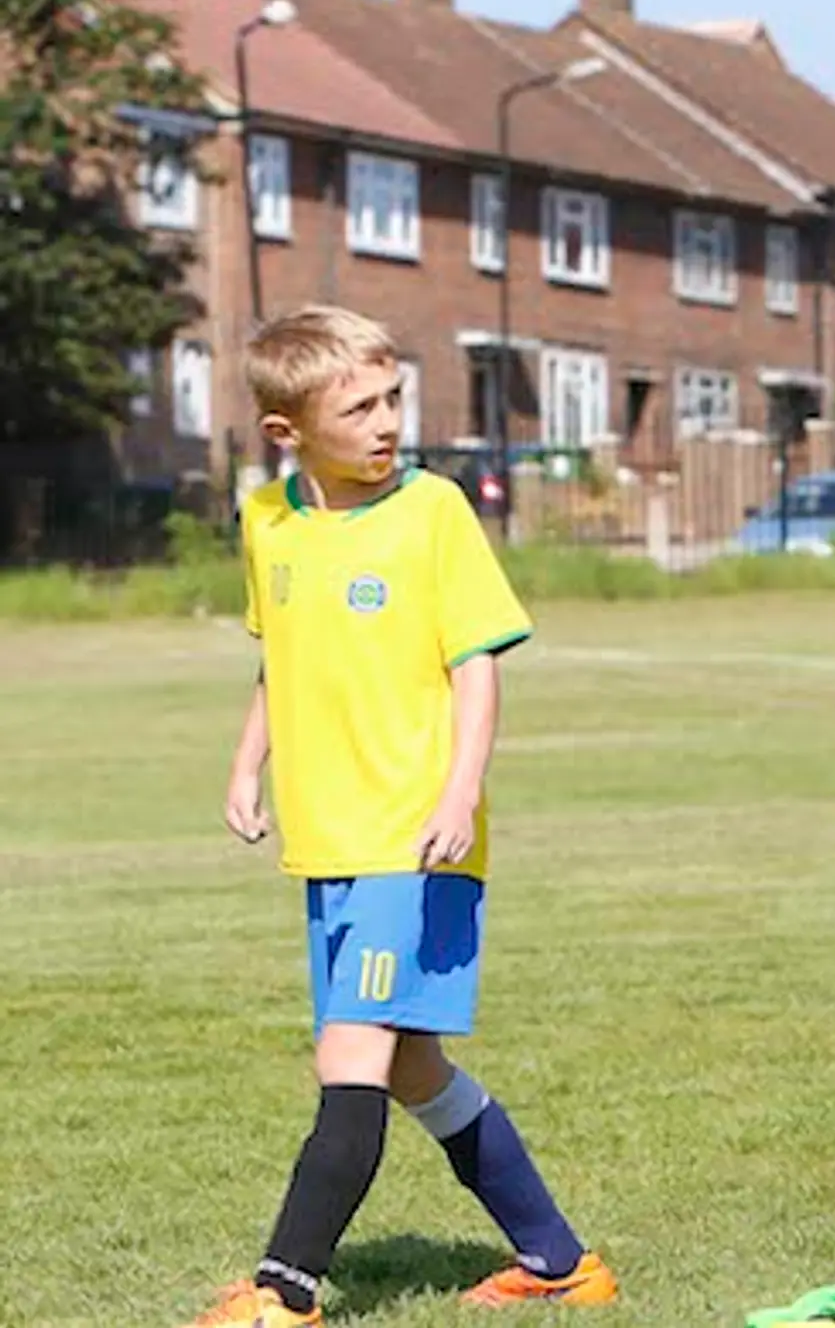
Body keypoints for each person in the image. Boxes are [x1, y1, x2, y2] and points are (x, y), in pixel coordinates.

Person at [182, 305, 618, 1326]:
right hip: (327, 837)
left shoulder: (433, 512)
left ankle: (285, 1290)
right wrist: (249, 763)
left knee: (349, 1058)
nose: (387, 424)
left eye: (392, 400)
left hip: (410, 837)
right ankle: (558, 1260)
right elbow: (277, 657)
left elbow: (475, 668)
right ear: (288, 432)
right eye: (359, 408)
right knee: (412, 1064)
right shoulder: (268, 519)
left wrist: (459, 792)